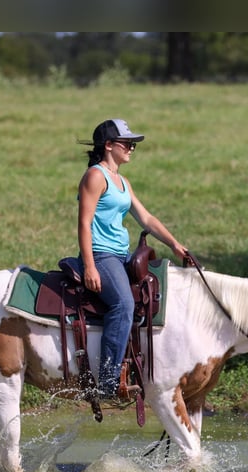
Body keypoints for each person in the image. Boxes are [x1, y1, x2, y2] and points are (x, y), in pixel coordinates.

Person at [77, 118, 188, 398]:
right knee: (124, 304)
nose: (131, 148)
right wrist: (89, 265)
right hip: (102, 256)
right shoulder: (95, 176)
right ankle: (107, 379)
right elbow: (84, 223)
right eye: (127, 144)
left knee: (159, 285)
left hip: (121, 254)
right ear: (109, 145)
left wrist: (174, 244)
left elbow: (146, 218)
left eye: (132, 145)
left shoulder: (122, 181)